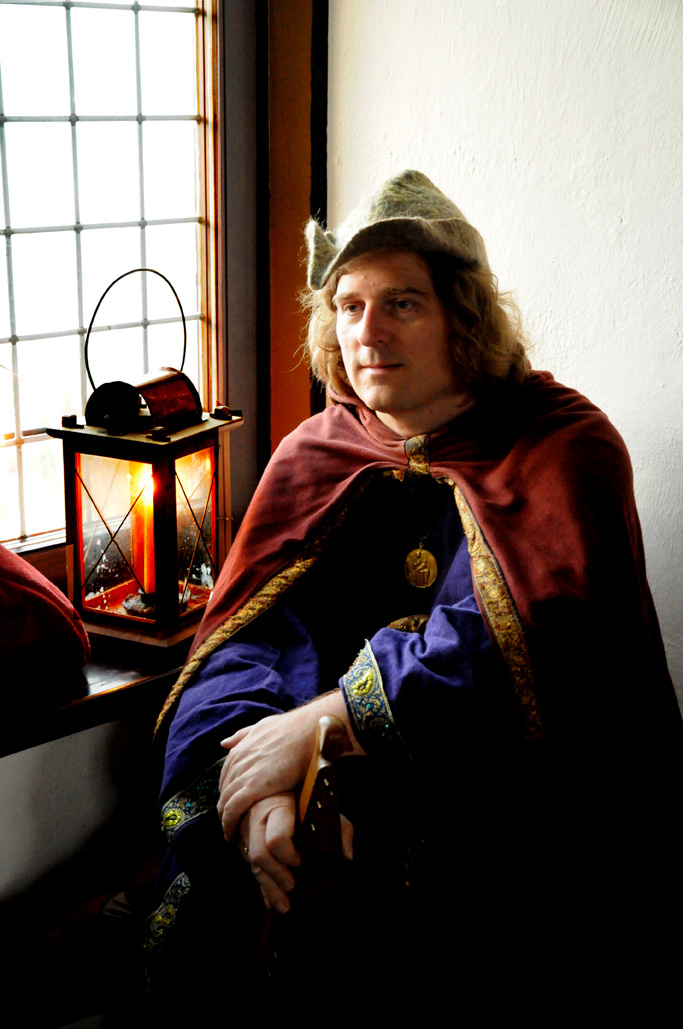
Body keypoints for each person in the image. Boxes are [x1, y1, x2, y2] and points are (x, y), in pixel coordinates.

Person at [147, 170, 681, 1018]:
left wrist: (321, 727)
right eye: (349, 305)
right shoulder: (317, 452)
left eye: (401, 303)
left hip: (511, 827)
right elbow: (246, 639)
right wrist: (261, 783)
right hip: (310, 806)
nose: (368, 332)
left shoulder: (562, 445)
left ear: (463, 316)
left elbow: (517, 641)